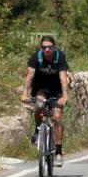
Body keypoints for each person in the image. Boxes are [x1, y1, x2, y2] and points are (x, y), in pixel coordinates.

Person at [21, 35, 69, 167]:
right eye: (44, 47)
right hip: (41, 89)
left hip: (56, 90)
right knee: (39, 105)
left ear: (54, 47)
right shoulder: (36, 57)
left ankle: (58, 152)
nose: (47, 50)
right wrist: (25, 94)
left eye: (49, 47)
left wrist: (65, 96)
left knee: (57, 117)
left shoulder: (60, 57)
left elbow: (63, 77)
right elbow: (29, 76)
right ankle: (37, 131)